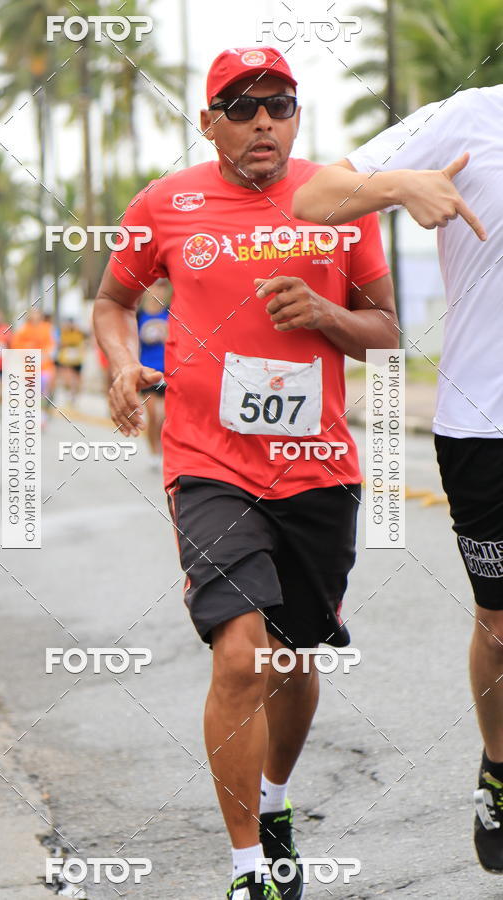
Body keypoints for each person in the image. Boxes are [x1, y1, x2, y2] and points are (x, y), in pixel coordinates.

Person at [93, 46, 397, 899]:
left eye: (279, 102)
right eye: (240, 105)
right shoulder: (168, 203)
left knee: (296, 656)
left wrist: (330, 314)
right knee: (240, 658)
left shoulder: (338, 198)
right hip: (208, 462)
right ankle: (247, 870)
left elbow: (385, 326)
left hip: (318, 465)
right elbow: (112, 301)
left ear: (296, 114)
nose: (263, 119)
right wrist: (121, 363)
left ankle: (273, 802)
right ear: (208, 121)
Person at [292, 83, 503, 874]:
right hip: (485, 422)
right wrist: (400, 186)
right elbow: (314, 195)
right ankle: (499, 765)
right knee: (500, 627)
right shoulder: (467, 116)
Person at [136, 280, 170, 470]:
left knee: (164, 417)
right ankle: (153, 451)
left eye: (163, 287)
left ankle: (162, 450)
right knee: (154, 415)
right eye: (155, 286)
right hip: (147, 372)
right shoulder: (139, 315)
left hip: (168, 372)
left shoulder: (171, 313)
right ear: (148, 290)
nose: (159, 290)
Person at [12, 308, 56, 425]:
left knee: (44, 390)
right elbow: (16, 347)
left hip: (45, 366)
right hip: (29, 368)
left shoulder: (47, 328)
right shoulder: (23, 330)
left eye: (38, 314)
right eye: (33, 314)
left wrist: (46, 354)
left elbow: (52, 345)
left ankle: (43, 414)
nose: (35, 317)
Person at [56, 318, 86, 407]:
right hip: (66, 359)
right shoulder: (63, 333)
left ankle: (74, 396)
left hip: (76, 360)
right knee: (67, 379)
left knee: (76, 380)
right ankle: (69, 394)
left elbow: (83, 344)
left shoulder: (79, 333)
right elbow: (59, 344)